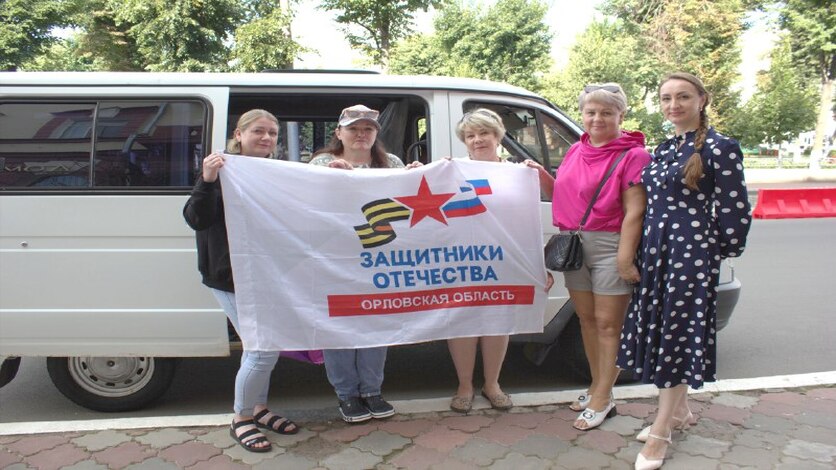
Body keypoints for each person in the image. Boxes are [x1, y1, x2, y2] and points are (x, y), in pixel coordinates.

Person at [616, 72, 751, 470]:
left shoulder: (721, 147)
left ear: (701, 100)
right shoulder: (665, 148)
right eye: (666, 98)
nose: (673, 105)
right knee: (665, 330)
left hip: (690, 254)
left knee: (676, 334)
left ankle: (661, 431)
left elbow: (735, 209)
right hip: (656, 251)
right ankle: (679, 412)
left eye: (683, 97)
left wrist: (714, 252)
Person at [526, 85, 651, 430]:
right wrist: (540, 175)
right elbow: (564, 196)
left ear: (621, 115)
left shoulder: (634, 155)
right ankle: (598, 387)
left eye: (606, 112)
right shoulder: (576, 150)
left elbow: (635, 211)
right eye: (591, 112)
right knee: (587, 321)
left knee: (609, 324)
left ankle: (603, 397)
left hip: (611, 245)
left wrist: (625, 258)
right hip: (575, 245)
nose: (597, 119)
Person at [183, 109, 298, 453]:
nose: (266, 138)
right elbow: (196, 219)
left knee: (261, 347)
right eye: (258, 131)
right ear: (239, 134)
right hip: (229, 276)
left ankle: (258, 409)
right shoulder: (222, 169)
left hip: (265, 273)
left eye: (272, 133)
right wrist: (207, 179)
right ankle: (241, 418)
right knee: (263, 349)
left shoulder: (276, 172)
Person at [309, 104, 417, 423]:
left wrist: (416, 177)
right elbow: (305, 204)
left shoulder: (392, 163)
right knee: (338, 325)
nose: (361, 134)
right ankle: (346, 394)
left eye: (368, 128)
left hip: (378, 257)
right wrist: (328, 180)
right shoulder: (321, 163)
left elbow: (404, 205)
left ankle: (371, 390)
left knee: (375, 323)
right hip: (335, 259)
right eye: (354, 128)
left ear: (376, 134)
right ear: (339, 133)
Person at [445, 108, 518, 414]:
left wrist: (535, 264)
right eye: (470, 135)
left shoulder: (518, 173)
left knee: (497, 322)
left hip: (502, 259)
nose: (477, 140)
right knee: (463, 321)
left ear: (498, 136)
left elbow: (526, 220)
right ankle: (464, 386)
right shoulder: (451, 171)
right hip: (462, 259)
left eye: (484, 133)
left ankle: (492, 384)